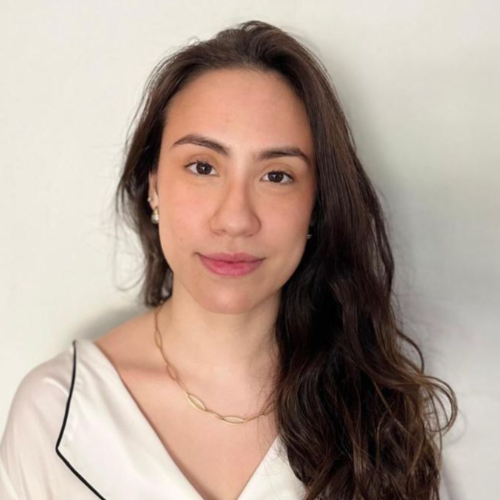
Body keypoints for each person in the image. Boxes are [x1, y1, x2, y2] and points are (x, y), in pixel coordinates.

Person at [0, 19, 457, 500]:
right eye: (203, 167)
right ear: (154, 186)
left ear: (316, 205)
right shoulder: (57, 417)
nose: (235, 219)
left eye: (276, 175)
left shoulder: (380, 415)